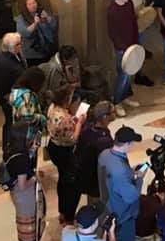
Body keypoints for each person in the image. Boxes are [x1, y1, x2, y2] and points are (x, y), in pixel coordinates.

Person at [98, 126, 145, 241]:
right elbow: (131, 196)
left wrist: (128, 174)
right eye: (132, 143)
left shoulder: (105, 155)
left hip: (108, 208)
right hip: (123, 217)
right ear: (126, 144)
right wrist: (138, 178)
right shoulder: (119, 172)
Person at [46, 85, 84, 224]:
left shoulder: (53, 108)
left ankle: (62, 211)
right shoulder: (63, 117)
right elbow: (73, 137)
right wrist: (79, 123)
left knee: (62, 178)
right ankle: (68, 216)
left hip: (54, 146)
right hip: (65, 151)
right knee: (72, 183)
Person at [107, 0, 140, 112]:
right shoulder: (113, 10)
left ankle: (125, 97)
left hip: (131, 44)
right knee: (123, 74)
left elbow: (133, 23)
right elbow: (112, 32)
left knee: (129, 72)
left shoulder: (129, 4)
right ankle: (117, 101)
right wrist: (123, 47)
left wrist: (135, 41)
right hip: (121, 48)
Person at [75, 102, 115, 203]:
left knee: (91, 199)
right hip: (96, 177)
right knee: (98, 203)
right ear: (105, 116)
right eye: (113, 112)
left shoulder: (87, 128)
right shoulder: (104, 140)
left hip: (86, 174)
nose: (115, 114)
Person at [0, 32, 25, 149]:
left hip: (19, 95)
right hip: (10, 99)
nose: (21, 45)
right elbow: (0, 85)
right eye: (18, 44)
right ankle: (7, 147)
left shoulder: (16, 55)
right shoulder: (3, 63)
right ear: (10, 47)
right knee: (10, 122)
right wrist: (9, 98)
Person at [8, 66, 47, 158]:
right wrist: (43, 118)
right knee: (29, 159)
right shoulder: (26, 96)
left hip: (19, 132)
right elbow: (28, 117)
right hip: (29, 136)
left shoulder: (16, 91)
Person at [15, 0, 58, 65]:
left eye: (34, 3)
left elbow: (54, 26)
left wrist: (47, 17)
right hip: (32, 53)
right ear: (26, 6)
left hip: (47, 51)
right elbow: (23, 33)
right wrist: (35, 24)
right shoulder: (21, 18)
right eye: (30, 4)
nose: (33, 5)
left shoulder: (42, 12)